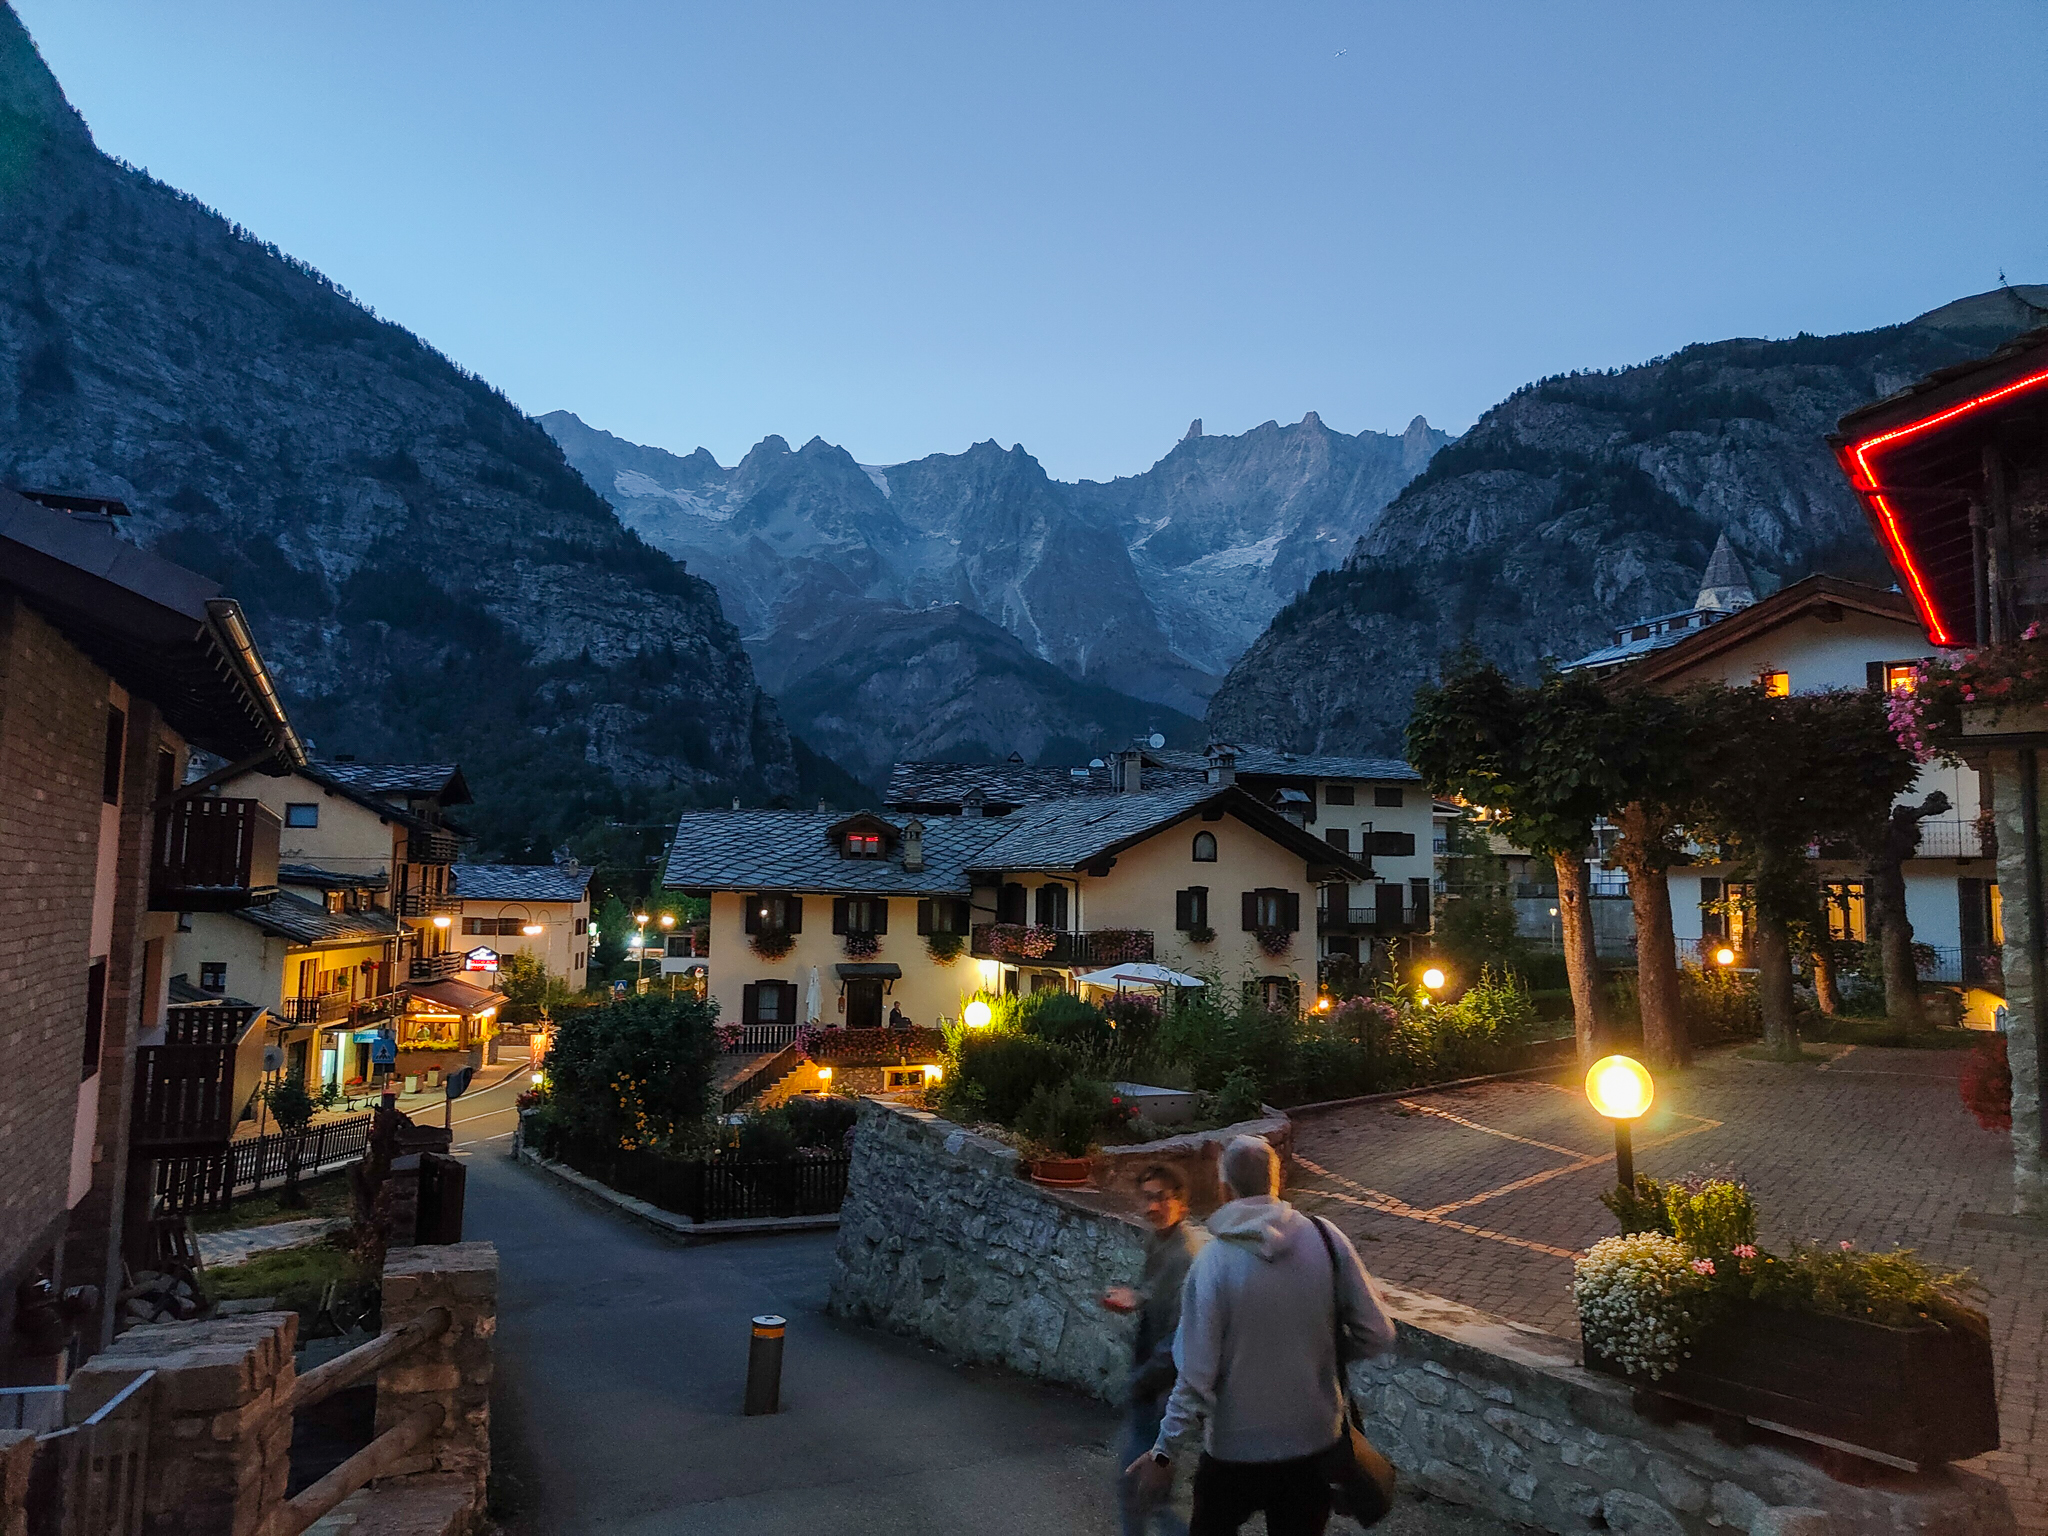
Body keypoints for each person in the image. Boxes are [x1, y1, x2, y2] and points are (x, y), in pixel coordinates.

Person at [1126, 1135, 1395, 1536]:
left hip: (1233, 1452)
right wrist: (1324, 1351)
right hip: (1314, 1445)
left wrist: (1164, 1453)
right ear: (1276, 1180)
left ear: (1224, 1188)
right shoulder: (1327, 1239)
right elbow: (1378, 1333)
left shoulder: (1212, 1264)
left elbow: (1196, 1376)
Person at [1102, 1165, 1208, 1536]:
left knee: (1139, 1491)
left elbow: (1182, 1336)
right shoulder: (1161, 1241)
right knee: (1150, 1497)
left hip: (1163, 1391)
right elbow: (1159, 1295)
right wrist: (1138, 1298)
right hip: (1154, 1387)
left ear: (1181, 1201)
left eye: (1160, 1198)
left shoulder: (1184, 1254)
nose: (1151, 1207)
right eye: (1147, 1198)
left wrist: (1141, 1381)